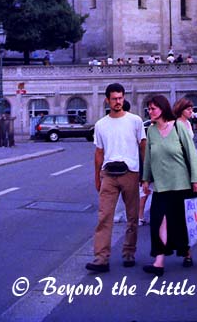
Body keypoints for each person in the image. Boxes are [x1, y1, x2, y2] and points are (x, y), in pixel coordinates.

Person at [86, 83, 146, 273]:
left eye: (120, 98)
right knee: (104, 217)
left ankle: (129, 251)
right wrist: (97, 178)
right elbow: (98, 153)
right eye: (114, 99)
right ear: (107, 101)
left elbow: (143, 147)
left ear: (124, 98)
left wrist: (145, 174)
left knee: (132, 216)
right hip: (109, 175)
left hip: (131, 173)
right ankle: (101, 258)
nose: (118, 102)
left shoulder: (135, 121)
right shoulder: (101, 124)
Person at [141, 95, 197, 275]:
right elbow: (149, 159)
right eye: (148, 109)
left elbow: (191, 154)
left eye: (153, 108)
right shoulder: (151, 131)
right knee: (158, 221)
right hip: (160, 186)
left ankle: (186, 252)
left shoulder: (178, 126)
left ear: (162, 108)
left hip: (181, 184)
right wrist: (146, 179)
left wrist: (195, 179)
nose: (150, 112)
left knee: (180, 223)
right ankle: (159, 261)